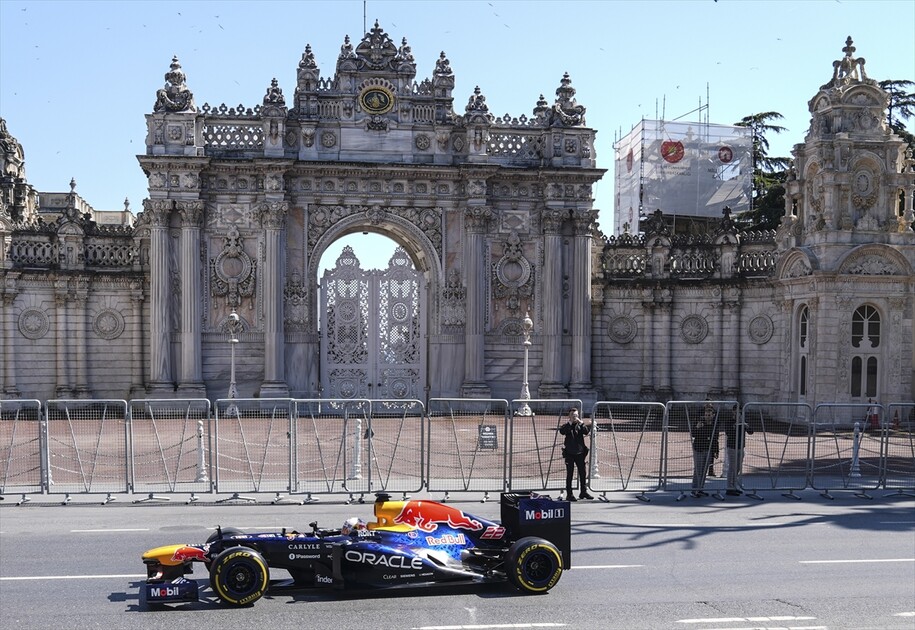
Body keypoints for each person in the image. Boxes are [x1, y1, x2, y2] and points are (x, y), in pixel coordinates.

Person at [559, 408, 593, 501]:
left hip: (580, 453)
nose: (575, 417)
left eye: (576, 415)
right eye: (573, 416)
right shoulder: (567, 426)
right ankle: (569, 494)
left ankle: (583, 491)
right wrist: (570, 423)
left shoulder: (580, 425)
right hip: (569, 453)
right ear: (569, 416)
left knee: (583, 473)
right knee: (570, 474)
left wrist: (581, 423)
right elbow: (562, 431)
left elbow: (586, 431)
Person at [723, 405, 753, 496]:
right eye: (736, 412)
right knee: (731, 467)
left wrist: (745, 425)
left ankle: (735, 486)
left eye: (739, 412)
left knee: (737, 468)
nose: (738, 414)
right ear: (733, 412)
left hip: (741, 447)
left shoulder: (743, 421)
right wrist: (735, 425)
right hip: (732, 447)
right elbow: (728, 432)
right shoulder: (729, 422)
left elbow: (751, 432)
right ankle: (729, 487)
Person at [690, 401, 718, 497]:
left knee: (704, 470)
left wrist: (715, 450)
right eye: (706, 414)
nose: (707, 416)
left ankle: (700, 488)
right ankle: (694, 490)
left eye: (709, 414)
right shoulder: (700, 422)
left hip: (708, 449)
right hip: (699, 449)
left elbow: (715, 438)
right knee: (698, 470)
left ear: (713, 415)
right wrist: (697, 428)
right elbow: (693, 434)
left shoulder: (714, 424)